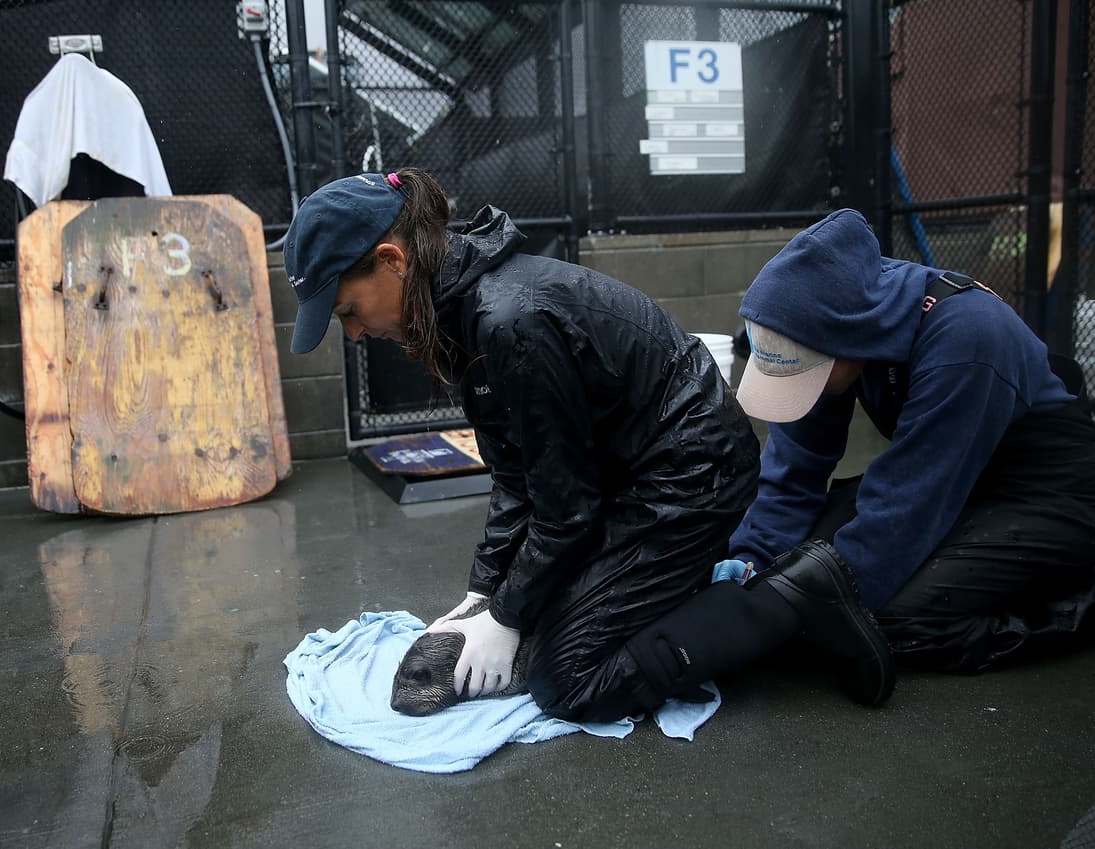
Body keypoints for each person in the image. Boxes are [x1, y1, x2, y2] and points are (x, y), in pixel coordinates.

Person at [283, 168, 832, 722]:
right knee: (538, 611)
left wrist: (506, 617)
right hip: (623, 471)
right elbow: (517, 476)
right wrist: (482, 595)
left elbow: (566, 511)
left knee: (566, 682)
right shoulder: (461, 310)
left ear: (392, 261)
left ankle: (778, 601)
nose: (352, 332)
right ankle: (667, 593)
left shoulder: (510, 322)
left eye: (348, 311)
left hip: (691, 477)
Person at [721, 208, 1095, 682]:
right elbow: (794, 474)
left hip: (1051, 499)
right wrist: (749, 561)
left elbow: (906, 505)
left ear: (851, 340)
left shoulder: (969, 335)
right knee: (801, 561)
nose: (799, 387)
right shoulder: (825, 312)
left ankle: (1089, 597)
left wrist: (798, 611)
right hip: (956, 478)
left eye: (807, 373)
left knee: (887, 619)